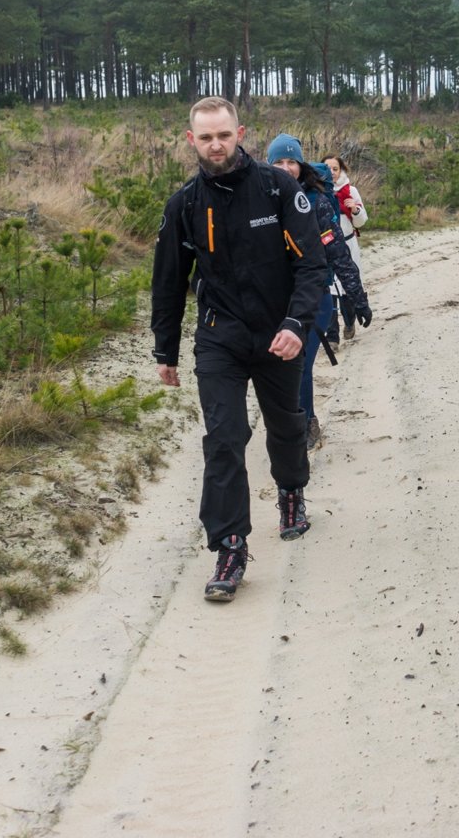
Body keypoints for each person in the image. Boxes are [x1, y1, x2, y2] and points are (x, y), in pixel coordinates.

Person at [151, 98, 328, 603]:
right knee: (224, 438)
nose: (216, 145)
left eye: (224, 135)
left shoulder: (278, 189)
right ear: (191, 140)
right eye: (206, 137)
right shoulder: (184, 205)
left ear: (240, 133)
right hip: (219, 338)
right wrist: (166, 350)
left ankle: (291, 491)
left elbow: (312, 265)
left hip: (278, 334)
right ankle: (230, 547)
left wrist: (296, 324)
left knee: (286, 423)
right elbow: (168, 282)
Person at [267, 136, 371, 453]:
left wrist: (358, 297)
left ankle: (307, 423)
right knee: (277, 368)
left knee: (298, 363)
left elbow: (338, 252)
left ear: (300, 165)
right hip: (274, 300)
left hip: (315, 297)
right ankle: (288, 422)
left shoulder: (317, 201)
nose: (285, 168)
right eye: (278, 162)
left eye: (291, 162)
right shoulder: (259, 198)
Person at [324, 154, 368, 339]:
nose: (332, 172)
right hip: (325, 247)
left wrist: (355, 210)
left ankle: (350, 322)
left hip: (348, 245)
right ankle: (332, 335)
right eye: (327, 168)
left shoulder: (351, 191)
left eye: (335, 169)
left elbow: (361, 222)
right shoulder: (317, 191)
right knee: (329, 291)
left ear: (341, 170)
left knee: (347, 288)